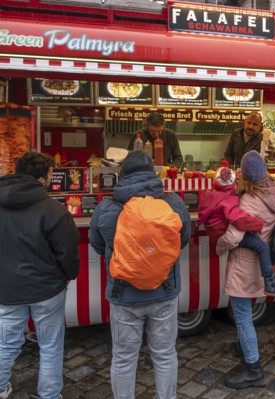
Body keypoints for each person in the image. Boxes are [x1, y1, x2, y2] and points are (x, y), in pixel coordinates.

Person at [89, 150, 191, 399]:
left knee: (123, 358)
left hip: (124, 297)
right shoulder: (173, 202)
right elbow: (183, 240)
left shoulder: (107, 207)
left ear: (121, 176)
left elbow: (98, 245)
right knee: (165, 353)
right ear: (153, 174)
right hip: (164, 293)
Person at [0, 152, 80, 399]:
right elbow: (67, 252)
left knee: (5, 343)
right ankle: (49, 395)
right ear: (44, 177)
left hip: (7, 288)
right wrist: (68, 276)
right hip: (48, 290)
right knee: (50, 345)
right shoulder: (54, 210)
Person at [215, 150, 275, 389]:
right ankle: (243, 347)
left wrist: (218, 246)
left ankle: (253, 368)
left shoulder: (248, 200)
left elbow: (234, 236)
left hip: (244, 263)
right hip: (262, 258)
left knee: (242, 316)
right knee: (245, 311)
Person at [197, 166, 275, 297]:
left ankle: (271, 283)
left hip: (216, 233)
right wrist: (258, 224)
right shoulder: (230, 200)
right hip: (225, 237)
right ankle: (271, 283)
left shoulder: (210, 195)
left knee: (241, 312)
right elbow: (239, 220)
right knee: (262, 247)